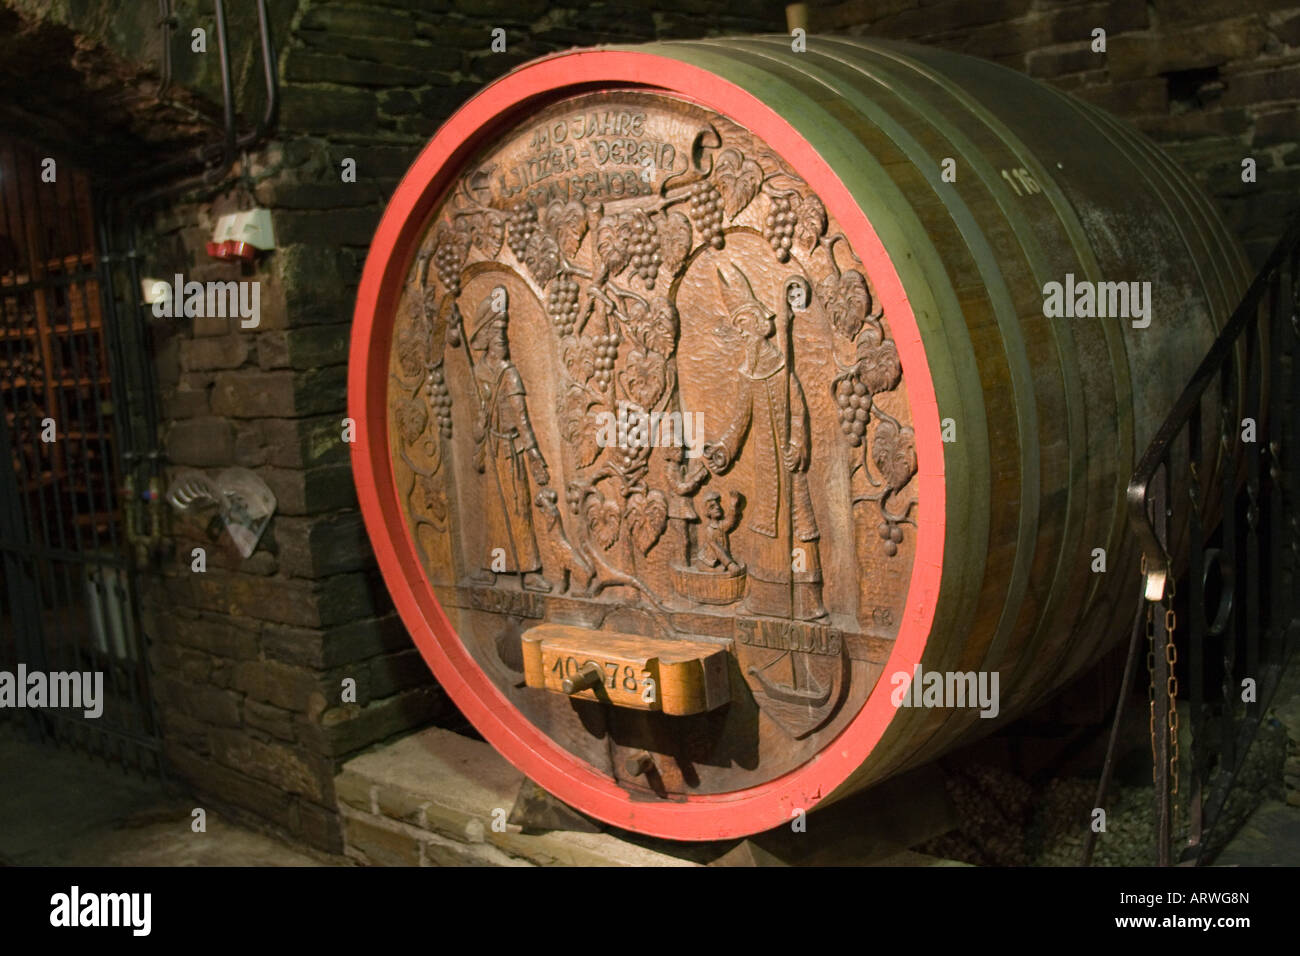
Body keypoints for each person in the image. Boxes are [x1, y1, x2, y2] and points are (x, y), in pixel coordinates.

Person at [701, 266, 826, 620]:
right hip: (764, 465)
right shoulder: (747, 374)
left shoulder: (782, 367)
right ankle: (769, 600)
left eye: (745, 324)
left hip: (788, 462)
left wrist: (799, 443)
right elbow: (739, 422)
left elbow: (799, 409)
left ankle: (808, 601)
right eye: (737, 327)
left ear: (760, 323)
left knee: (801, 525)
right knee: (766, 525)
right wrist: (723, 449)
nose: (742, 332)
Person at [467, 286, 551, 592]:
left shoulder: (510, 374)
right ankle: (495, 566)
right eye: (497, 330)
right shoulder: (477, 373)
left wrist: (535, 457)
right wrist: (479, 424)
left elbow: (523, 420)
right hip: (491, 450)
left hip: (511, 451)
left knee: (518, 509)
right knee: (494, 513)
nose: (502, 337)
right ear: (486, 335)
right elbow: (476, 425)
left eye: (504, 330)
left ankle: (529, 571)